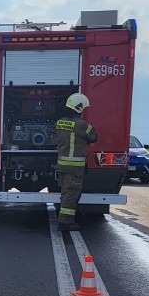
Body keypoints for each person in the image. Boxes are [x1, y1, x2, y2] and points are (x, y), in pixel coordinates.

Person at [56, 93, 98, 231]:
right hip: (74, 167)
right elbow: (93, 136)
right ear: (79, 108)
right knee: (72, 193)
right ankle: (65, 222)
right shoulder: (81, 125)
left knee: (65, 192)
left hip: (62, 164)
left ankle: (63, 218)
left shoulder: (60, 122)